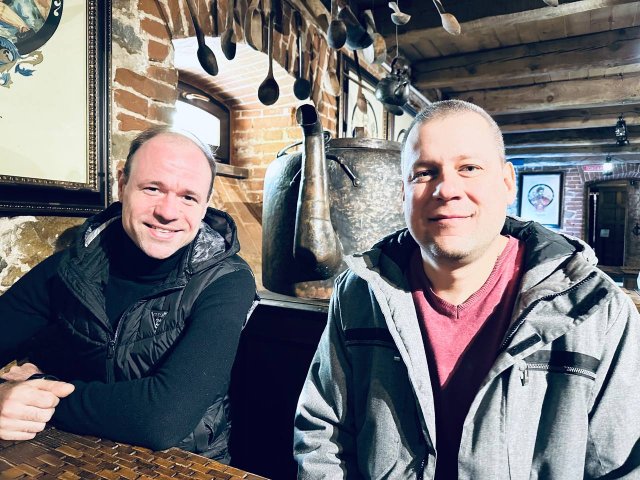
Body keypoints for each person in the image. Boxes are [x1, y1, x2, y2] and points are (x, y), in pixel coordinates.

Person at [293, 100, 640, 478]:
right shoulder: (360, 293)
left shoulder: (596, 309)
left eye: (469, 168)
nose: (446, 189)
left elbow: (622, 468)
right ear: (402, 193)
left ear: (507, 183)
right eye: (424, 173)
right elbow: (322, 432)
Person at [0, 126, 257, 463]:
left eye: (188, 197)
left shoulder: (226, 280)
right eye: (153, 188)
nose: (168, 212)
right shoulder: (73, 267)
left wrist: (37, 389)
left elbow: (162, 419)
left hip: (186, 464)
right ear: (122, 184)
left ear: (205, 204)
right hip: (73, 453)